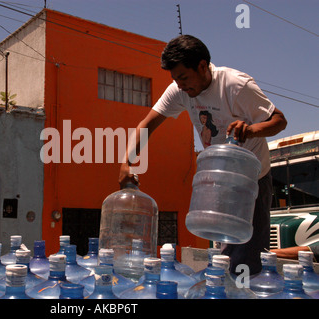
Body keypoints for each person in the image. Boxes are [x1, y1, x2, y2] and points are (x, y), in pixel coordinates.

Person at [119, 35, 287, 276]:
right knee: (223, 251)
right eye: (175, 79)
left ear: (202, 66)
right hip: (220, 178)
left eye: (183, 77)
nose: (180, 85)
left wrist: (250, 130)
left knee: (248, 255)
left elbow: (279, 121)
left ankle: (244, 289)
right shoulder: (180, 90)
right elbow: (147, 124)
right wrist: (126, 161)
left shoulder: (235, 85)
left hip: (253, 178)